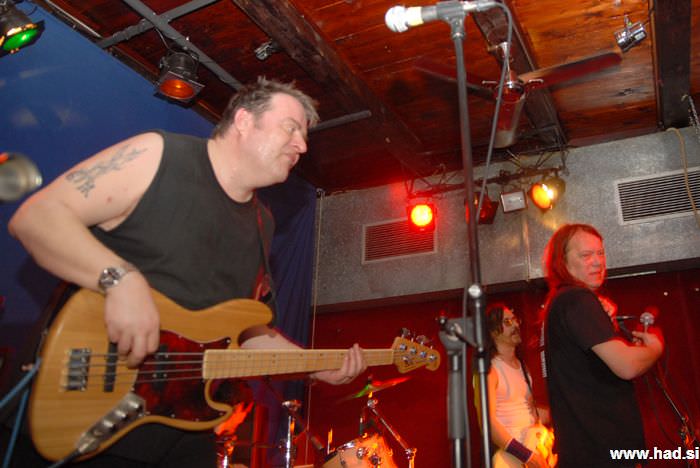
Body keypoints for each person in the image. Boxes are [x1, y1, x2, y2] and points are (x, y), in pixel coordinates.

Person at [8, 77, 367, 467]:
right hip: (90, 413)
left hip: (182, 425)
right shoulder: (158, 156)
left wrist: (317, 365)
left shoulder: (262, 223)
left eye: (303, 136)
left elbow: (246, 333)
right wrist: (120, 280)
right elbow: (37, 217)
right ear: (244, 120)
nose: (302, 145)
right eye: (291, 128)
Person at [542, 223, 664, 467]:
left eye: (600, 253)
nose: (598, 262)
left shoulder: (563, 303)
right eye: (586, 255)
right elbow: (626, 366)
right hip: (602, 452)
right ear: (562, 262)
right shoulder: (577, 300)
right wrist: (655, 348)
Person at [482, 302, 552, 468]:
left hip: (532, 447)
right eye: (507, 322)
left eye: (515, 320)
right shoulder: (490, 370)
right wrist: (527, 456)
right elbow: (488, 424)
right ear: (493, 332)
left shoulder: (522, 366)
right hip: (511, 457)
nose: (515, 325)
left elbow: (527, 410)